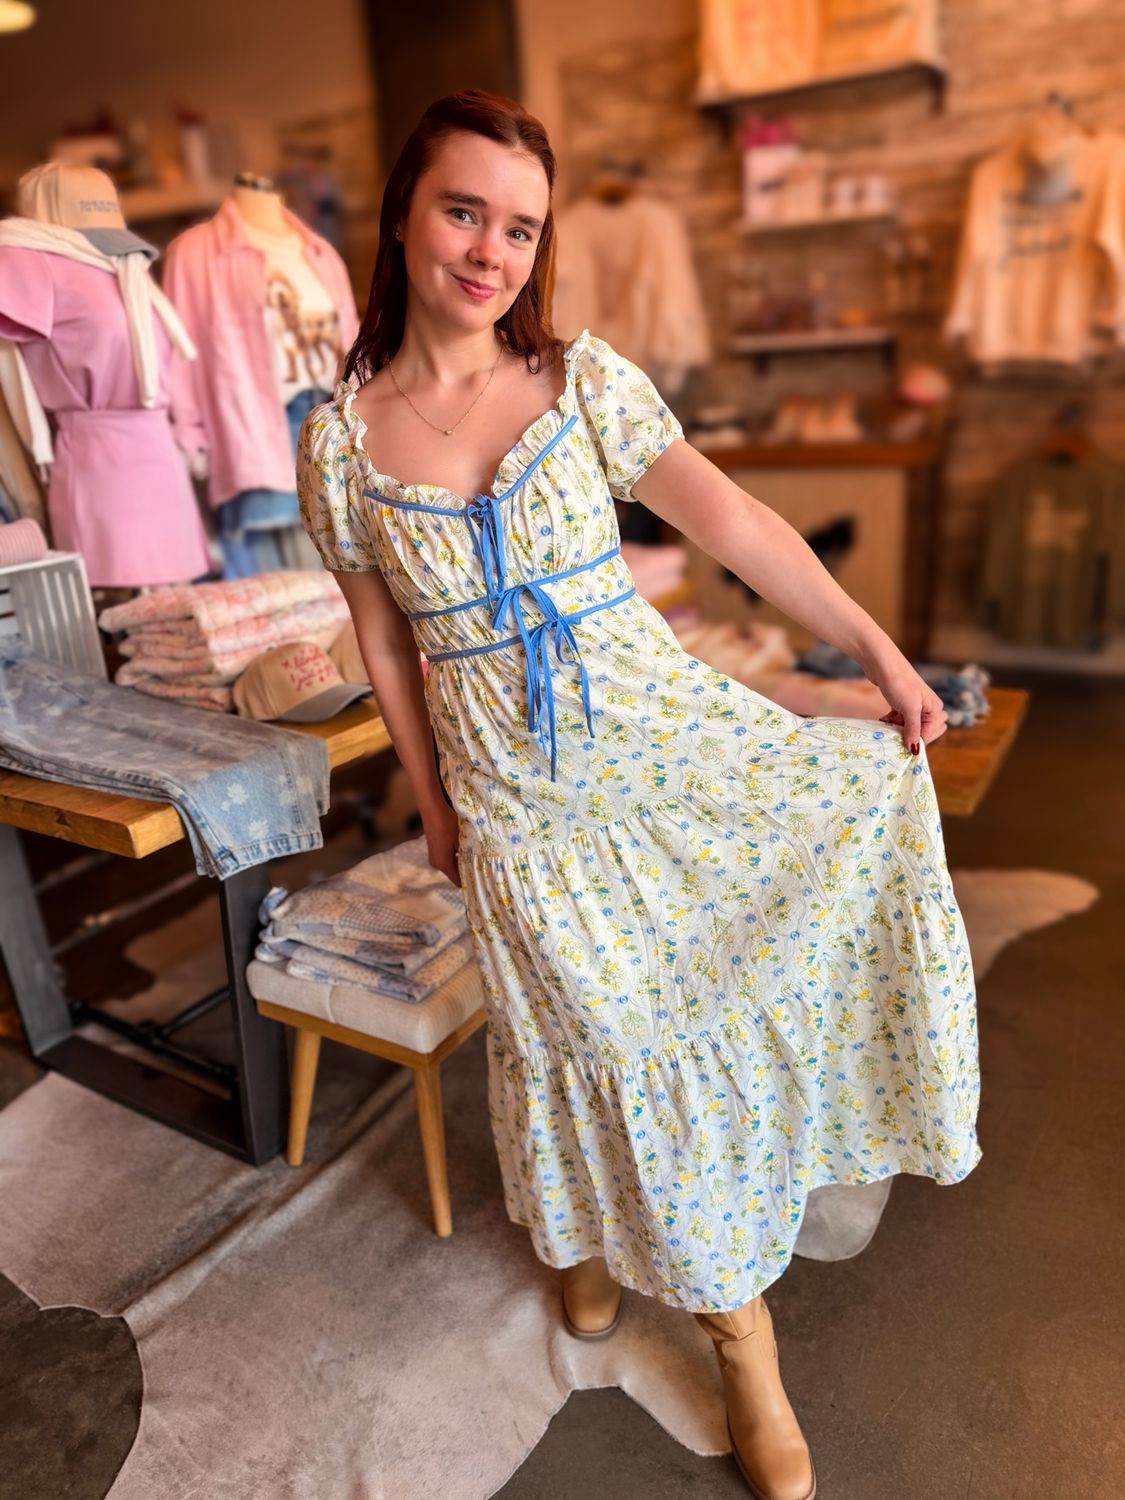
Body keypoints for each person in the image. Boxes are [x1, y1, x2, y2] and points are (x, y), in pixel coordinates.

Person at [296, 87, 982, 1500]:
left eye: (520, 228)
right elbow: (383, 643)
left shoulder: (582, 383)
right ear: (405, 211)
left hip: (668, 754)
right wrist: (436, 805)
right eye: (464, 211)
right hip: (514, 806)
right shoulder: (338, 446)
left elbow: (733, 520)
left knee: (681, 1022)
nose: (491, 252)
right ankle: (593, 1242)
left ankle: (742, 1351)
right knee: (583, 1037)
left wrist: (876, 650)